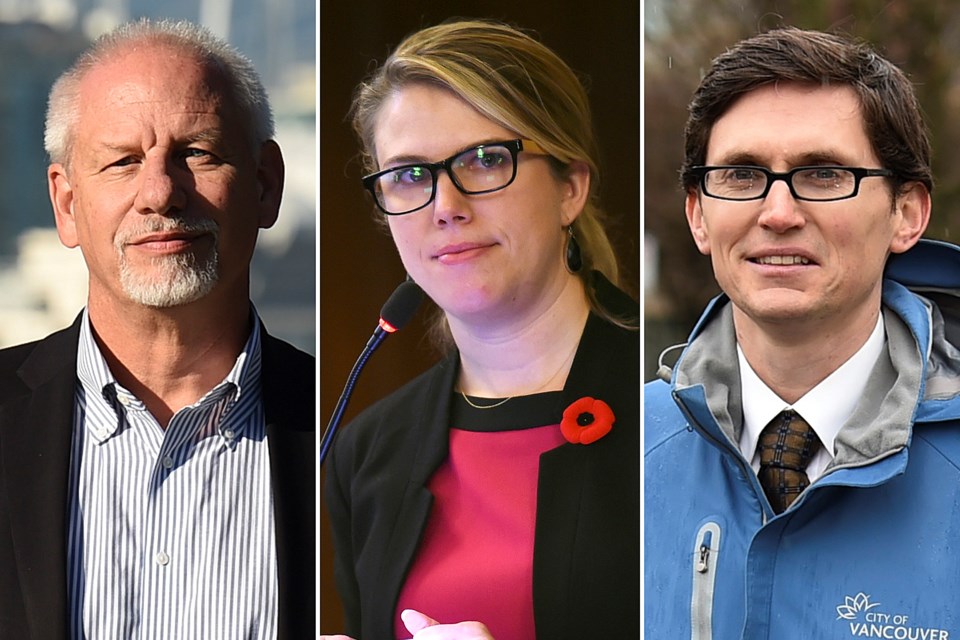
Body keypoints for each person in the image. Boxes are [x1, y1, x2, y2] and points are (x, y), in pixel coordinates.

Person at [323, 19, 639, 640]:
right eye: (410, 175)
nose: (446, 206)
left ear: (570, 187)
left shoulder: (673, 406)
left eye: (487, 160)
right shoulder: (366, 453)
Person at [0, 19, 315, 639]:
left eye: (197, 152)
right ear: (66, 204)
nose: (160, 194)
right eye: (121, 162)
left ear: (265, 184)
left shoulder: (349, 427)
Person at [643, 26, 960, 637]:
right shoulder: (625, 456)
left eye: (822, 174)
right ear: (698, 216)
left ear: (907, 213)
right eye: (740, 174)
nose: (779, 213)